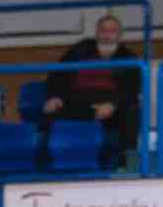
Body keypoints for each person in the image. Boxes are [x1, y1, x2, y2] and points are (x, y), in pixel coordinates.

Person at [42, 15, 141, 171]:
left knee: (131, 112)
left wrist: (113, 104)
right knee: (50, 112)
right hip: (77, 103)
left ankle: (126, 165)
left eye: (112, 31)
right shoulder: (80, 49)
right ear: (96, 32)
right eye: (103, 30)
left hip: (110, 109)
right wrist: (54, 96)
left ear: (120, 35)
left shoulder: (129, 57)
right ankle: (46, 166)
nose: (107, 35)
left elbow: (131, 89)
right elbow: (57, 74)